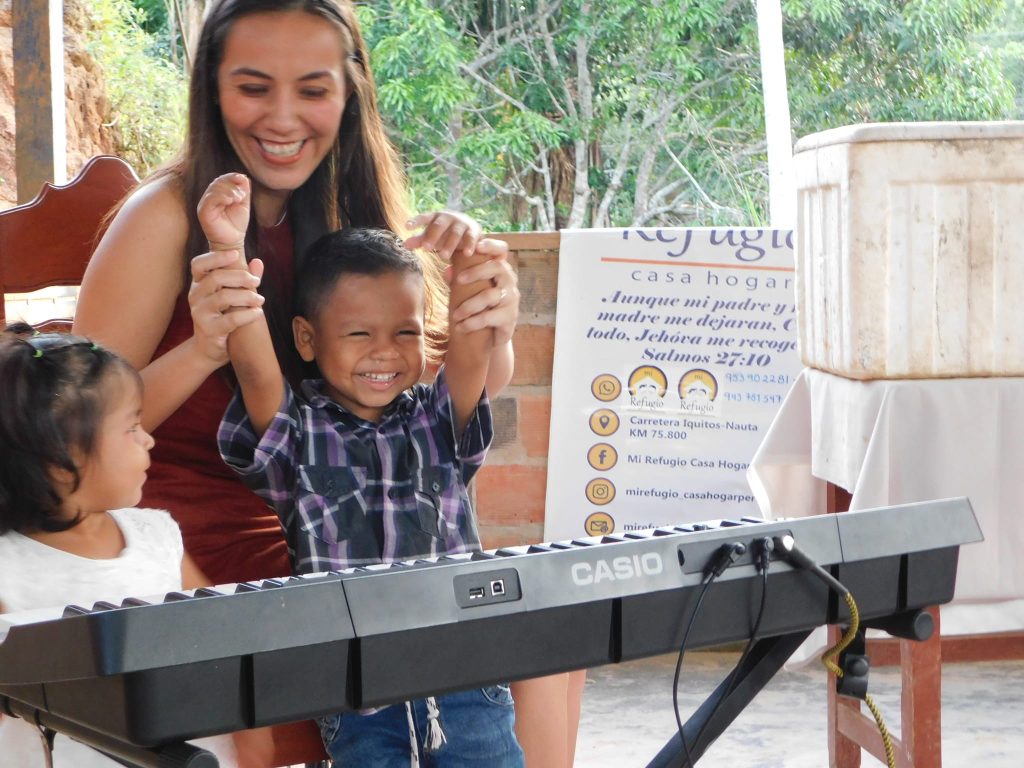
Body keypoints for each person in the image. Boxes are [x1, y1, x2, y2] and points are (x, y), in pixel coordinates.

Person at [199, 171, 523, 766]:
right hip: (356, 696)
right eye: (358, 333)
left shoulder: (436, 419)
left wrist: (470, 258)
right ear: (305, 337)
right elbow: (253, 370)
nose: (385, 351)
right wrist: (226, 247)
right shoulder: (298, 434)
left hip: (468, 681)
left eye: (405, 331)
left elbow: (474, 340)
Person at [0, 329, 243, 767]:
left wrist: (252, 731)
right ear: (61, 461)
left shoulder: (157, 537)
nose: (148, 439)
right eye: (132, 427)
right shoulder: (9, 570)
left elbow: (221, 634)